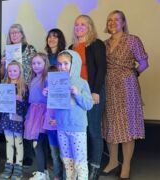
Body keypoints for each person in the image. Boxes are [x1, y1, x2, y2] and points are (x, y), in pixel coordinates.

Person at [101, 10, 148, 179]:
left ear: (123, 22)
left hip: (127, 87)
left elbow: (143, 62)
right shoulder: (104, 44)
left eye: (116, 20)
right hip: (108, 87)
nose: (112, 23)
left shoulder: (132, 40)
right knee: (110, 124)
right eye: (109, 20)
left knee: (128, 125)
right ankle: (113, 161)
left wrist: (133, 74)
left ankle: (126, 165)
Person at [69, 14, 107, 180]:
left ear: (90, 27)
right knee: (80, 131)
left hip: (92, 93)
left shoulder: (96, 44)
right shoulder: (71, 47)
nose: (79, 27)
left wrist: (96, 91)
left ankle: (95, 167)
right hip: (76, 95)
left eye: (83, 24)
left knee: (93, 130)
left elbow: (101, 69)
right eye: (76, 25)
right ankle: (82, 165)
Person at [0, 23, 37, 167]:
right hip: (9, 90)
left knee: (25, 122)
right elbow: (2, 74)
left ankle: (26, 155)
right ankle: (12, 156)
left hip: (24, 89)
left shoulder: (30, 49)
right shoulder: (6, 51)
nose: (14, 35)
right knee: (10, 121)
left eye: (16, 32)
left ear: (22, 34)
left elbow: (36, 69)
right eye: (11, 33)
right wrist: (3, 64)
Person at [53, 50, 93, 179]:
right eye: (59, 64)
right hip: (62, 127)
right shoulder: (56, 82)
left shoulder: (82, 83)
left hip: (77, 128)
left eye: (66, 63)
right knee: (67, 162)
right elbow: (56, 106)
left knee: (80, 162)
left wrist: (78, 94)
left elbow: (89, 105)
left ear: (74, 64)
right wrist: (48, 94)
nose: (62, 67)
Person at [0, 61, 29, 179]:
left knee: (19, 143)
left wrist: (21, 100)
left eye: (15, 70)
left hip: (18, 120)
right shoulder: (4, 86)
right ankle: (9, 165)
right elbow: (0, 105)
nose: (12, 73)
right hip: (7, 119)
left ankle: (18, 167)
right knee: (9, 143)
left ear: (20, 72)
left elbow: (28, 106)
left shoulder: (24, 87)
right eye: (10, 71)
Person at [24, 53, 50, 179]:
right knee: (40, 144)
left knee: (38, 144)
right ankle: (43, 171)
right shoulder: (33, 79)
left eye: (39, 63)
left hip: (42, 113)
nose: (36, 65)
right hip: (33, 112)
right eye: (34, 63)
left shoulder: (47, 79)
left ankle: (41, 172)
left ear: (45, 64)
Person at [42, 65, 65, 180]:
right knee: (54, 154)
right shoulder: (46, 90)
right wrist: (45, 93)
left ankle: (66, 176)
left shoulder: (65, 90)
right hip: (50, 127)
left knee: (64, 154)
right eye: (49, 77)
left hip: (62, 126)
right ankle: (57, 175)